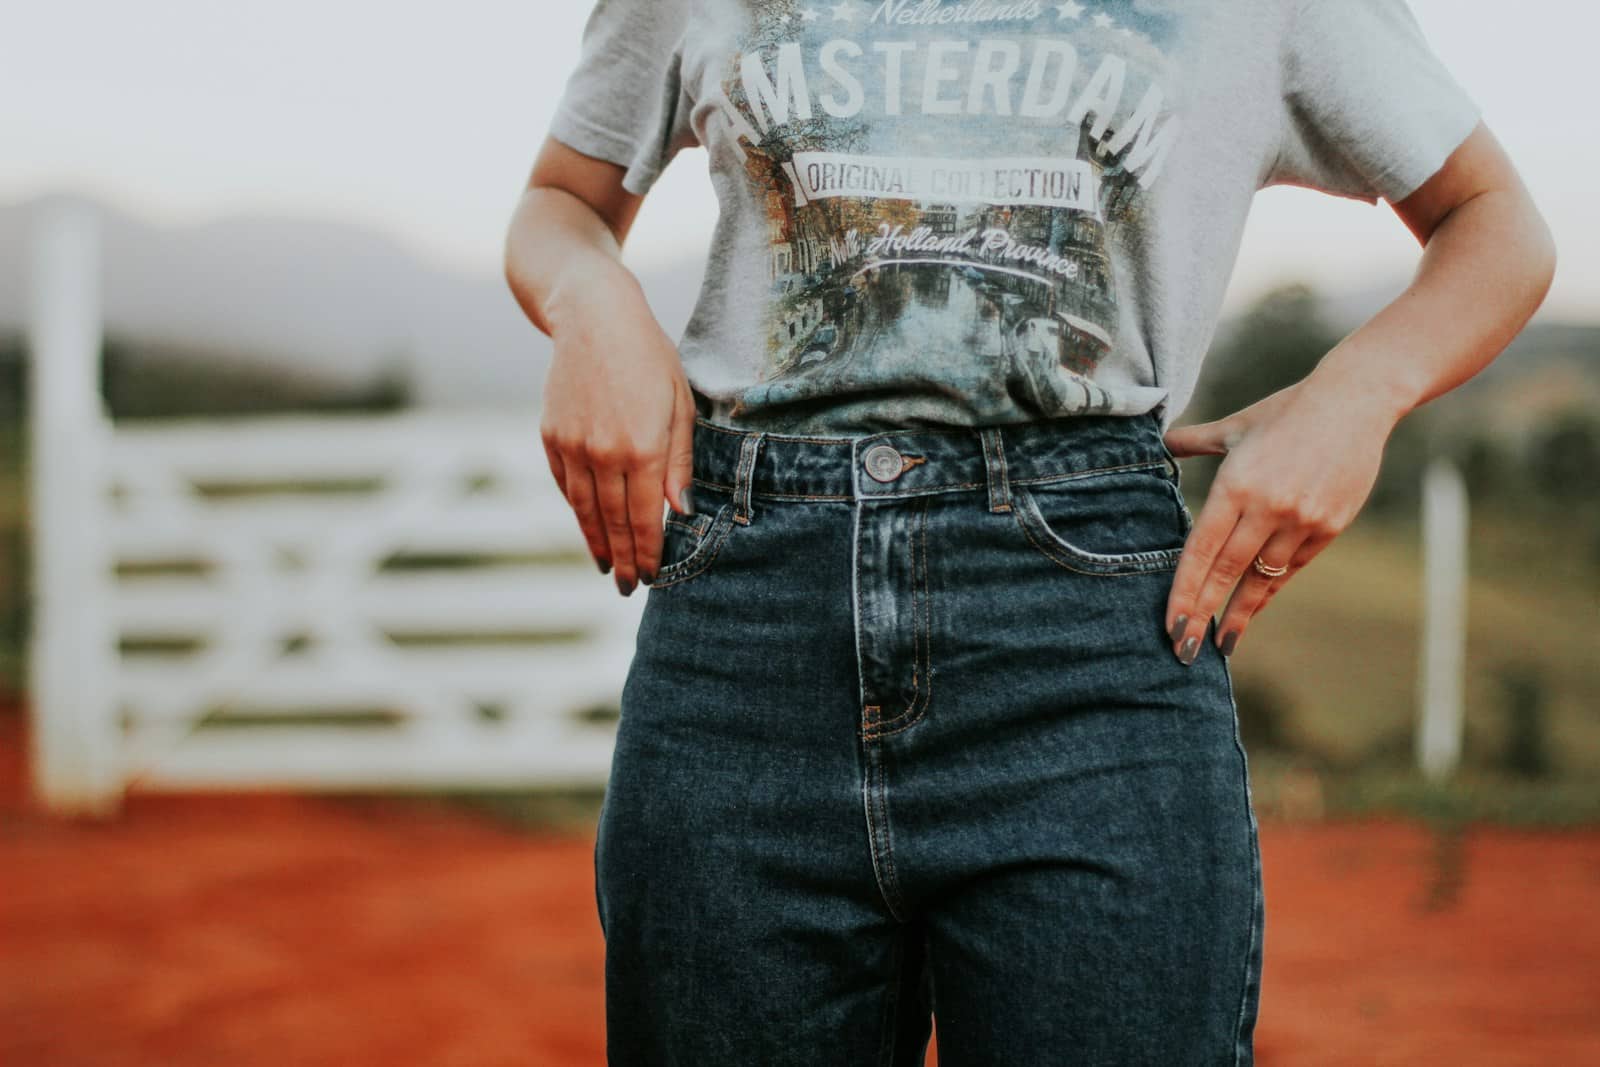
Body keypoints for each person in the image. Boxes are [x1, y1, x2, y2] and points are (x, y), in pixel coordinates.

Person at [503, 1, 1555, 1062]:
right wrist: (592, 300)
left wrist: (1357, 393)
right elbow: (561, 199)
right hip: (747, 630)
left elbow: (1495, 222)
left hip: (1083, 635)